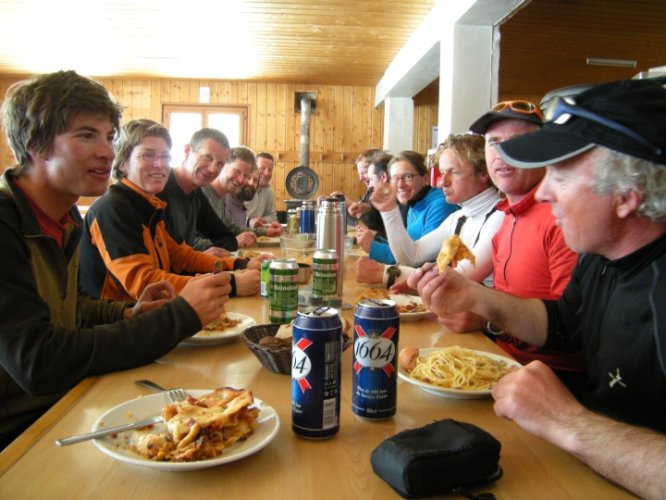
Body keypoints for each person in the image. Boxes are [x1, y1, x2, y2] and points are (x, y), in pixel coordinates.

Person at [410, 77, 666, 498]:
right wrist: (475, 296)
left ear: (627, 195)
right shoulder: (599, 256)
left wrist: (570, 422)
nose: (544, 191)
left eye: (562, 175)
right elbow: (563, 325)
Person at [0, 70, 231, 449]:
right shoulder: (7, 221)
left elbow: (72, 310)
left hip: (65, 402)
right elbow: (38, 362)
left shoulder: (65, 217)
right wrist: (182, 315)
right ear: (36, 143)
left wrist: (127, 315)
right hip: (22, 433)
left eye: (108, 136)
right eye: (85, 135)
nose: (107, 151)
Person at [441, 100, 581, 381]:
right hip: (500, 362)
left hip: (549, 378)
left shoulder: (563, 218)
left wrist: (488, 322)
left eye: (517, 141)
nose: (502, 152)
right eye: (493, 142)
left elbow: (572, 330)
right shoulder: (507, 216)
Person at [80, 120, 261, 301]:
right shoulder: (113, 208)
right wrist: (231, 284)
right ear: (122, 163)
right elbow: (145, 283)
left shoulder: (149, 204)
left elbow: (182, 257)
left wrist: (241, 263)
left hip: (152, 314)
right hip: (118, 323)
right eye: (148, 156)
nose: (160, 164)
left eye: (165, 157)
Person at [356, 134, 504, 290]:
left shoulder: (500, 217)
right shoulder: (459, 216)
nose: (442, 182)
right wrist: (389, 211)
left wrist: (386, 273)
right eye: (442, 172)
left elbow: (459, 281)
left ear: (483, 174)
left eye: (453, 172)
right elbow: (412, 256)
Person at [356, 151, 456, 264]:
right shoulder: (414, 203)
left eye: (408, 177)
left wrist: (373, 247)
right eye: (395, 178)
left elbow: (419, 261)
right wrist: (376, 240)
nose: (400, 185)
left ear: (425, 178)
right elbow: (407, 247)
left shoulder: (440, 206)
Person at [157, 128, 238, 257]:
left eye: (220, 164)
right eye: (207, 157)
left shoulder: (196, 194)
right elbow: (165, 257)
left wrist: (202, 257)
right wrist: (199, 257)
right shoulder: (159, 189)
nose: (212, 169)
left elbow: (227, 238)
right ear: (187, 151)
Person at [201, 146, 273, 246]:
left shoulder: (221, 197)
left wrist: (266, 231)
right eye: (236, 171)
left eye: (246, 176)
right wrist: (233, 242)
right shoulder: (202, 194)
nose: (241, 180)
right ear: (222, 166)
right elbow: (191, 243)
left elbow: (233, 229)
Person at [348, 153, 395, 240]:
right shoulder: (387, 197)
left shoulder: (401, 201)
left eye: (372, 179)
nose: (370, 184)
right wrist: (367, 209)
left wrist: (375, 235)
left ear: (383, 176)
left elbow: (400, 239)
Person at [223, 168, 283, 237]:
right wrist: (234, 242)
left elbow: (236, 229)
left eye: (255, 180)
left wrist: (266, 231)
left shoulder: (266, 191)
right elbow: (213, 238)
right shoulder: (224, 197)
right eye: (248, 177)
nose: (251, 183)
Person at [245, 151, 278, 228]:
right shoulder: (242, 188)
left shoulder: (268, 191)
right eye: (262, 168)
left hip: (256, 233)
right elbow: (229, 216)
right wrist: (249, 221)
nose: (266, 173)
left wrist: (259, 220)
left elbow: (273, 217)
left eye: (270, 170)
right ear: (253, 168)